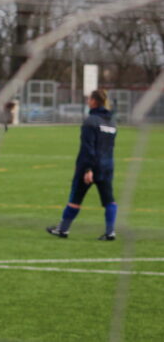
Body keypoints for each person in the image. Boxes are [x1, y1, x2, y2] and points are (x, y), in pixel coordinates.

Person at [47, 89, 118, 241]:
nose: (87, 102)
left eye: (89, 99)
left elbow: (88, 148)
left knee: (75, 199)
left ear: (93, 101)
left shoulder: (90, 121)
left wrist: (87, 168)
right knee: (109, 200)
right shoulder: (112, 122)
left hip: (90, 166)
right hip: (107, 166)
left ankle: (63, 229)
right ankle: (110, 232)